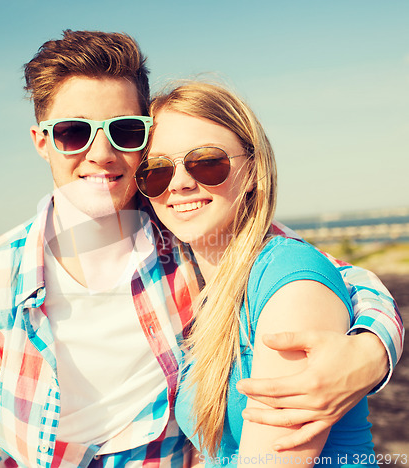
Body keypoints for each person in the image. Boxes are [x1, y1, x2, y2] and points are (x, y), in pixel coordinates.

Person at [0, 31, 403, 467]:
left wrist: (371, 350)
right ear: (42, 141)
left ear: (144, 138)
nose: (100, 154)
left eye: (124, 131)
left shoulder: (188, 236)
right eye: (73, 132)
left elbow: (329, 277)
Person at [137, 81, 397, 467]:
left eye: (207, 161)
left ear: (254, 170)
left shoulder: (287, 280)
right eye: (157, 171)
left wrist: (376, 346)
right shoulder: (210, 287)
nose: (179, 183)